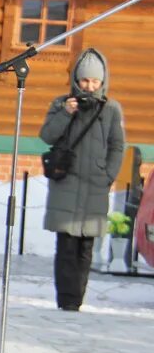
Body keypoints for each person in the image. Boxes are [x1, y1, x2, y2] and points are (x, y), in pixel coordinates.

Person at [40, 48, 124, 311]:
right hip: (66, 183)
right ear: (77, 79)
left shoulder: (111, 109)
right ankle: (66, 301)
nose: (89, 86)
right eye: (85, 81)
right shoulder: (61, 103)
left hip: (94, 186)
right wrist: (66, 113)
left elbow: (117, 146)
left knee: (85, 247)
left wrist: (108, 175)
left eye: (95, 81)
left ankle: (77, 299)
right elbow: (48, 136)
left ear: (103, 81)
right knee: (66, 245)